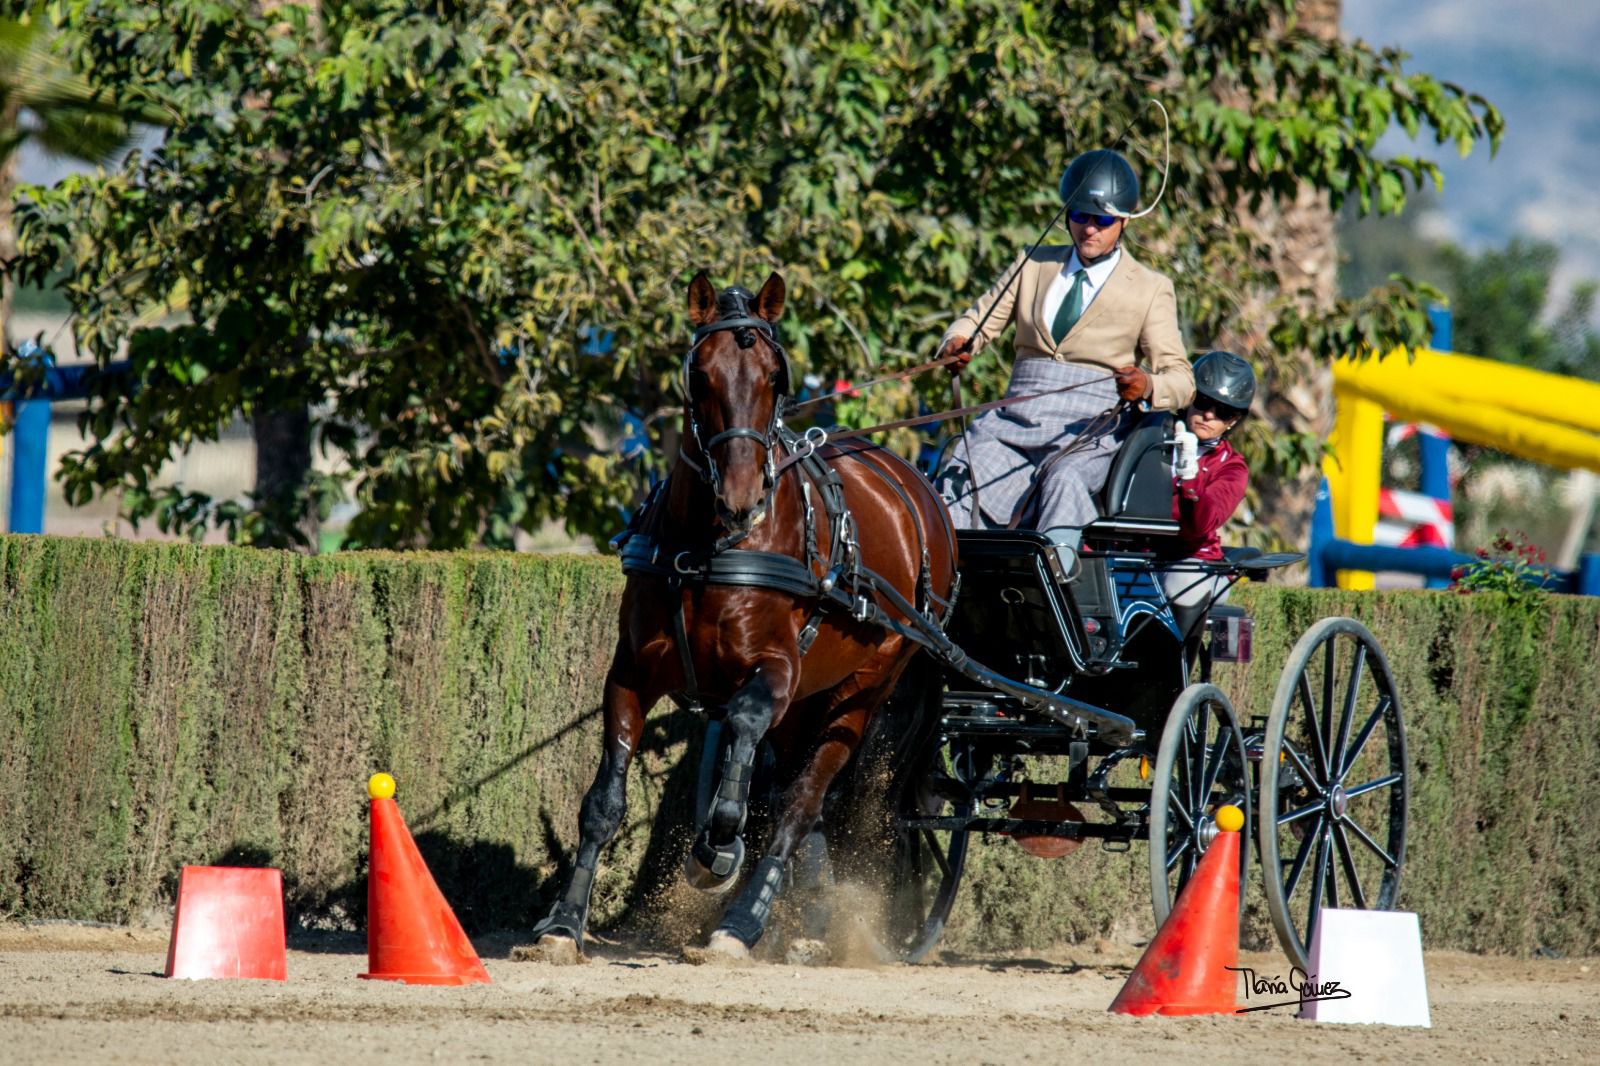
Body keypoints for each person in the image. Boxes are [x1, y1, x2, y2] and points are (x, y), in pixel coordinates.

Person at [936, 148, 1195, 530]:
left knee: (1064, 480)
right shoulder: (1033, 263)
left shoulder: (1151, 288)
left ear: (1123, 221)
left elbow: (1182, 380)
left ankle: (1058, 581)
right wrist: (957, 342)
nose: (1089, 228)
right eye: (1079, 216)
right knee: (963, 466)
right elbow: (978, 320)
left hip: (1090, 428)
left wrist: (1146, 385)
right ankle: (953, 580)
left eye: (1102, 219)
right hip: (1015, 417)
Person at [1161, 349, 1255, 609]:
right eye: (1203, 402)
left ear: (1233, 421)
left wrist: (1189, 477)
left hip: (1189, 558)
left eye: (1222, 411)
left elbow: (1200, 526)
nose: (1209, 414)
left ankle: (1176, 651)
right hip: (1133, 550)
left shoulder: (1233, 469)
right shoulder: (1151, 436)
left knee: (1182, 588)